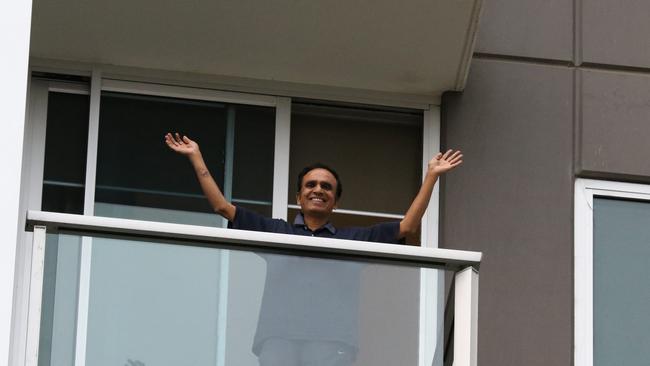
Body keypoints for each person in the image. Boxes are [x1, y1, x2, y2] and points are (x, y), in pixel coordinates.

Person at [164, 132, 462, 366]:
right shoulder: (277, 232)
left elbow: (406, 228)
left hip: (331, 342)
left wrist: (431, 176)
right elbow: (221, 207)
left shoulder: (352, 240)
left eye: (326, 187)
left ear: (335, 201)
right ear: (299, 196)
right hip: (278, 339)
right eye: (311, 185)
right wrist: (196, 157)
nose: (318, 189)